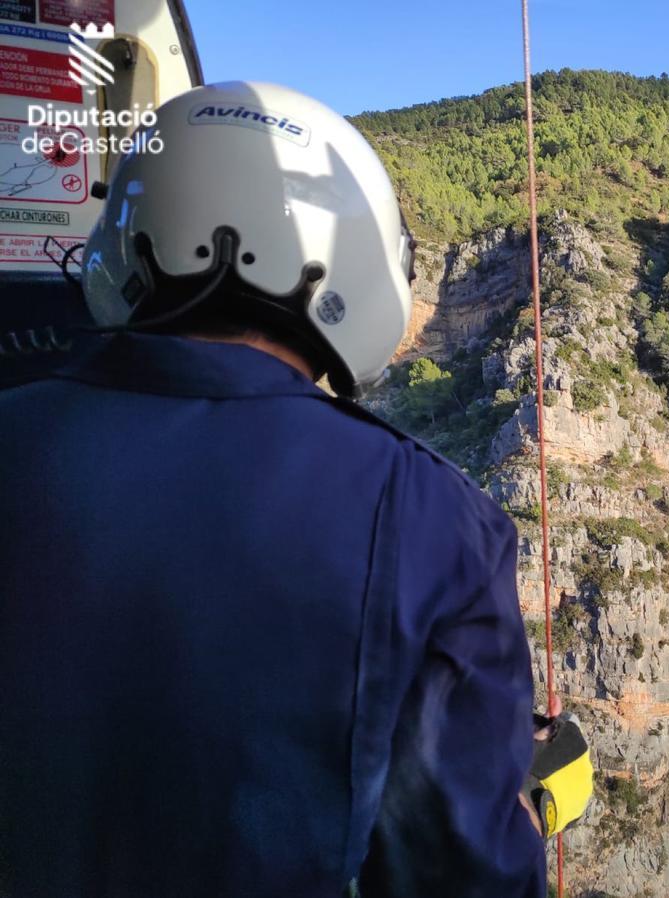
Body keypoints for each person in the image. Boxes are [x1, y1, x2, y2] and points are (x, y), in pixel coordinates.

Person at [0, 81, 591, 898]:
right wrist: (527, 804)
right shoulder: (432, 520)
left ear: (132, 243)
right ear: (353, 269)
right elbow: (461, 876)